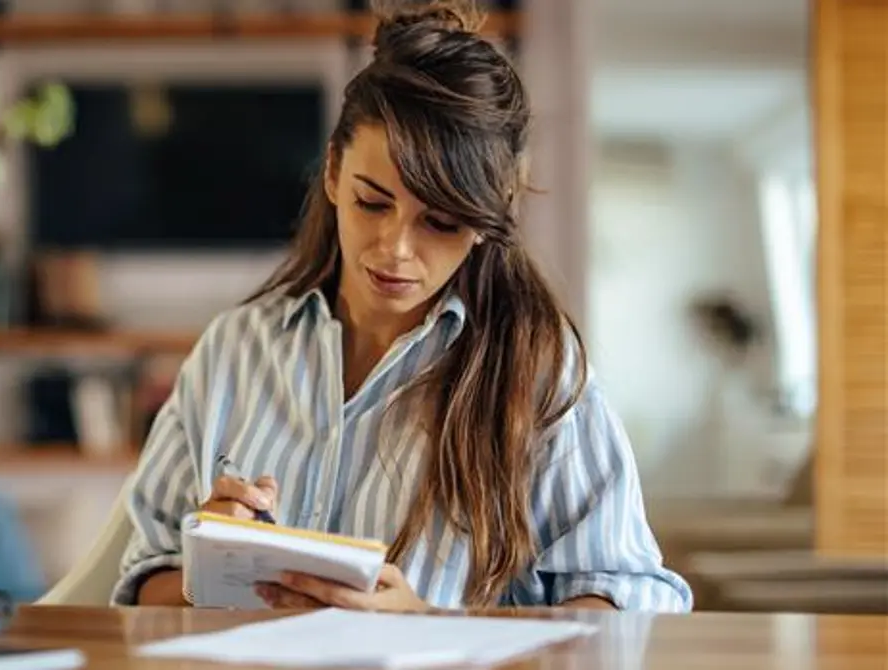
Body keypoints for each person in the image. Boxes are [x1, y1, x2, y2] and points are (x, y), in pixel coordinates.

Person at [110, 0, 694, 613]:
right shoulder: (232, 350)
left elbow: (627, 607)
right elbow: (139, 579)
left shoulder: (538, 370)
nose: (396, 249)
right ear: (334, 171)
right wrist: (212, 566)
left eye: (440, 222)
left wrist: (430, 628)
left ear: (485, 220)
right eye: (371, 202)